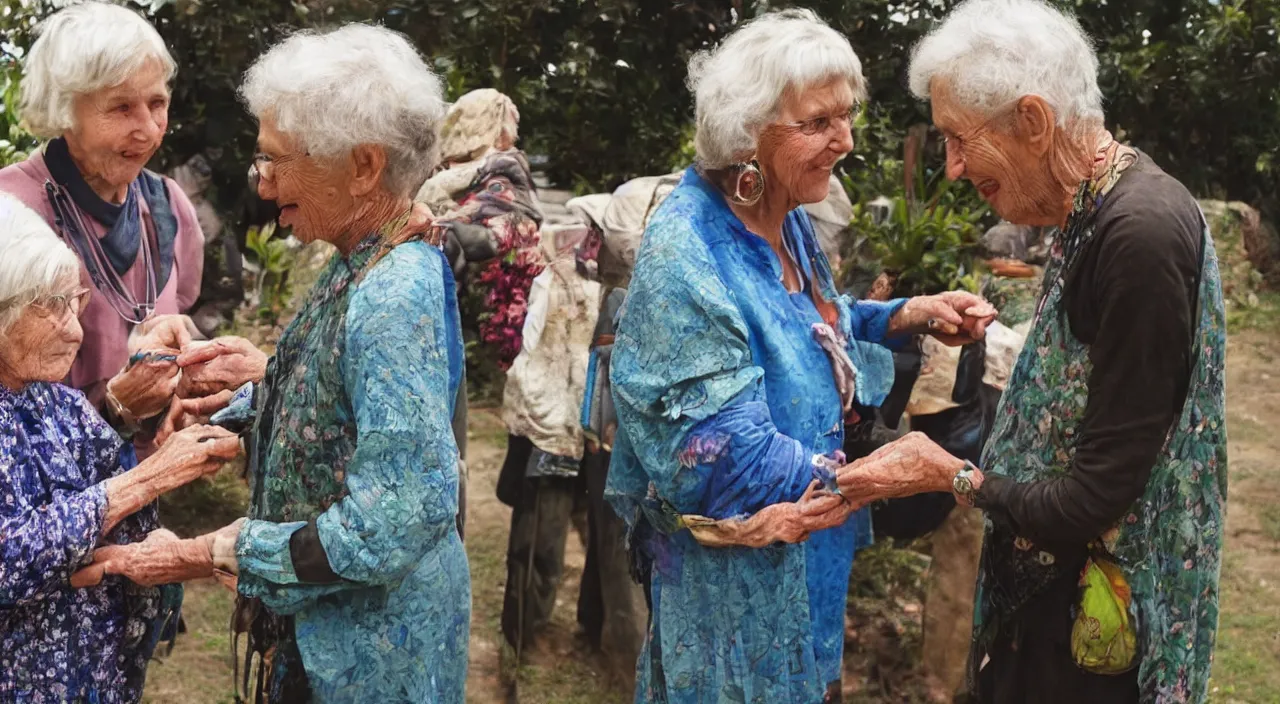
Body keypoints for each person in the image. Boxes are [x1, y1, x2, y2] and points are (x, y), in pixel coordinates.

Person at [836, 1, 1228, 702]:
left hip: (1095, 633)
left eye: (959, 139)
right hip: (1057, 605)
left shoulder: (1139, 236)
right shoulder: (1095, 211)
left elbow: (1093, 499)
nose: (952, 168)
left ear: (1034, 122)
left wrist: (953, 475)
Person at [72, 24, 471, 703]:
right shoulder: (362, 255)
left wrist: (207, 552)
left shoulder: (392, 289)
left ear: (364, 167)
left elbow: (400, 515)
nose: (263, 184)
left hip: (367, 659)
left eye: (278, 160)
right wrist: (249, 404)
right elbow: (349, 394)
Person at [605, 10, 995, 702]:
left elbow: (817, 325)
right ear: (745, 132)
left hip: (809, 556)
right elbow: (717, 453)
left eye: (846, 118)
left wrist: (908, 315)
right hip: (733, 587)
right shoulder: (686, 254)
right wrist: (878, 474)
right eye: (818, 123)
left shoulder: (784, 219)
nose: (844, 141)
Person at [0, 194, 241, 703]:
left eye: (75, 301)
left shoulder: (55, 400)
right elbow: (8, 559)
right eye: (48, 307)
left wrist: (174, 445)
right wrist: (148, 479)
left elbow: (120, 516)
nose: (74, 328)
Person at [0, 2, 205, 438]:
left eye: (157, 103)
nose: (149, 130)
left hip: (150, 482)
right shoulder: (10, 210)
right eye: (121, 108)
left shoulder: (169, 207)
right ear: (64, 111)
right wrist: (115, 406)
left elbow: (181, 305)